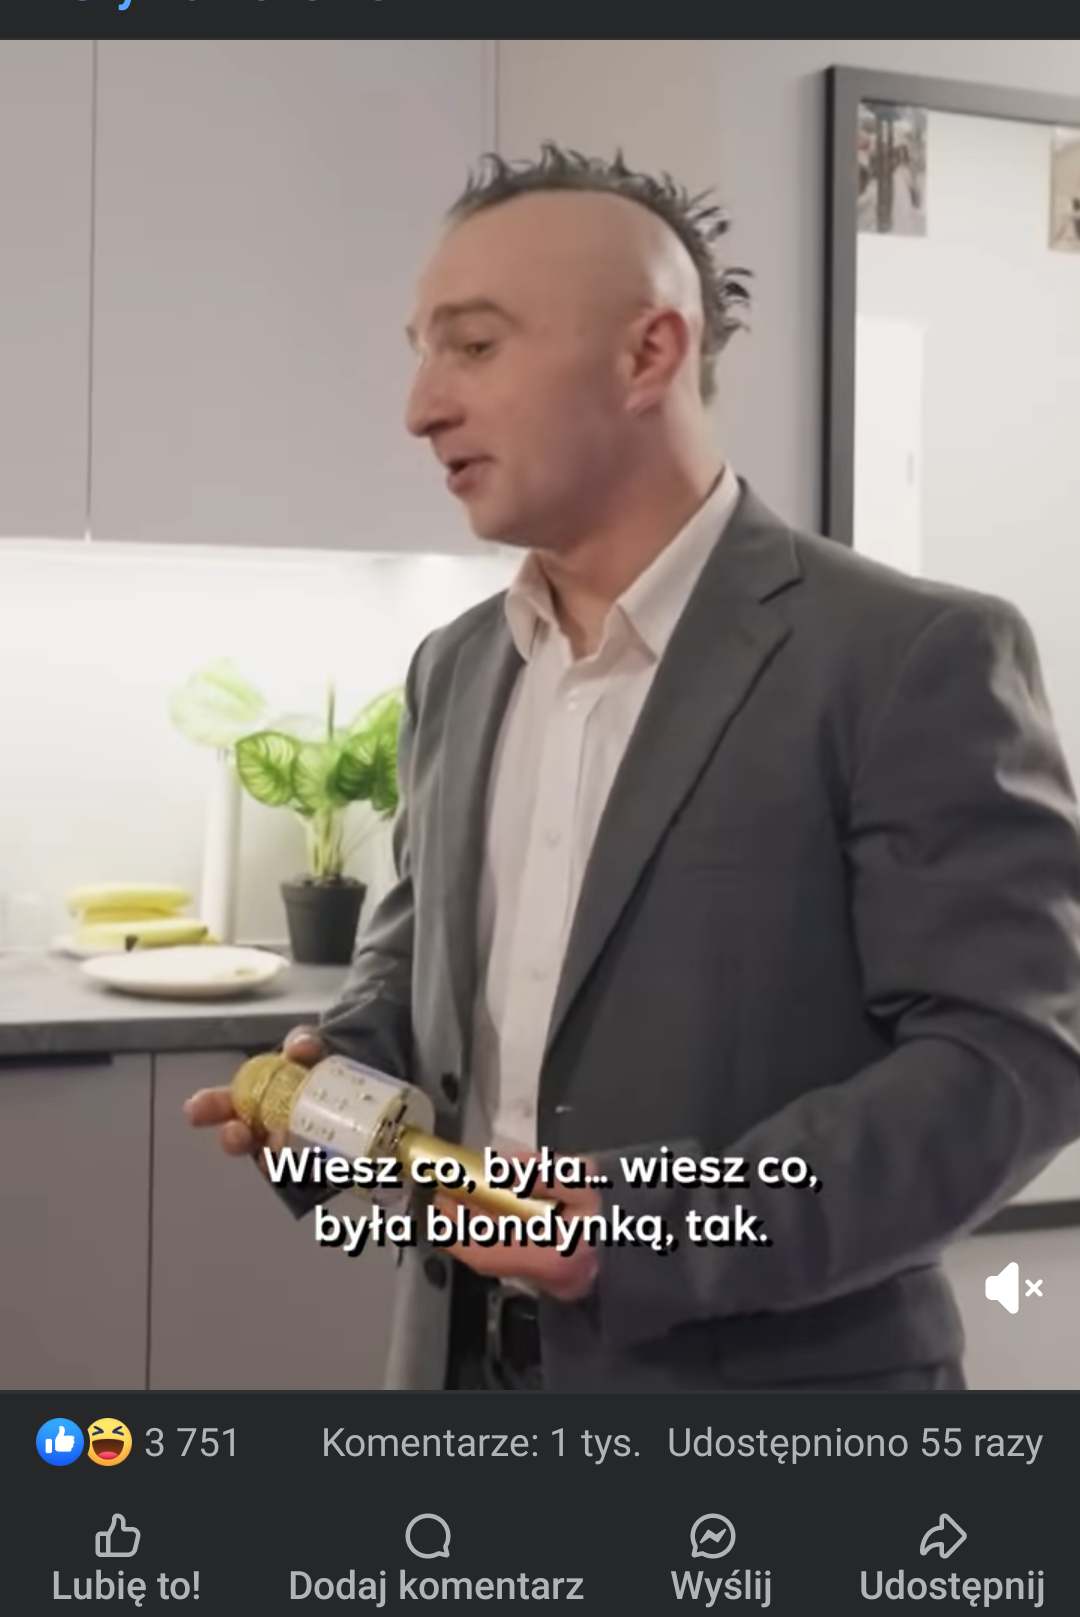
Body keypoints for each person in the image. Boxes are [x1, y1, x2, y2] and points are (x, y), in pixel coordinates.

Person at [186, 143, 1080, 1392]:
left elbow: (1008, 1063)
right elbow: (414, 967)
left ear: (649, 353)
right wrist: (334, 1079)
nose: (421, 406)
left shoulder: (908, 656)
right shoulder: (456, 666)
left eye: (473, 345)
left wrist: (659, 1228)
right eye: (420, 350)